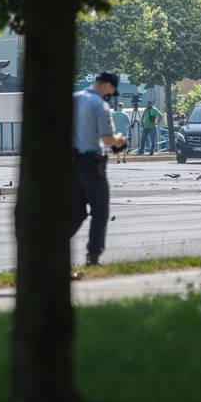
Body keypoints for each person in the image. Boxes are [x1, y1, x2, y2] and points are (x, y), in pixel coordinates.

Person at [72, 72, 126, 266]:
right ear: (108, 85)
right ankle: (93, 256)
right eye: (112, 91)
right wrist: (120, 140)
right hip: (91, 164)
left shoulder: (74, 98)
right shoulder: (100, 105)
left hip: (72, 163)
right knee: (100, 211)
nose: (110, 95)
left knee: (76, 212)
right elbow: (107, 139)